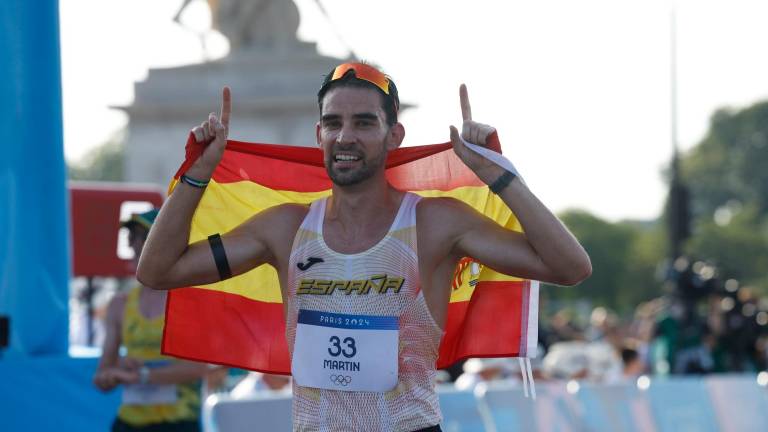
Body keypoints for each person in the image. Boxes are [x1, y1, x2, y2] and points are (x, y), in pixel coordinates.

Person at [137, 62, 592, 431]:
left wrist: (499, 174)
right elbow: (157, 271)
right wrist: (199, 173)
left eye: (363, 122)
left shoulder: (434, 223)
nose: (345, 137)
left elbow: (570, 266)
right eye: (333, 123)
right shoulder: (285, 228)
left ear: (394, 136)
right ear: (318, 135)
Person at [93, 209, 210, 432]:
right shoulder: (120, 303)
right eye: (132, 238)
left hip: (178, 422)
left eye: (142, 237)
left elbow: (198, 368)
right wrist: (113, 374)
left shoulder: (189, 300)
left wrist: (142, 376)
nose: (134, 245)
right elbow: (101, 376)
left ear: (164, 242)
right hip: (129, 423)